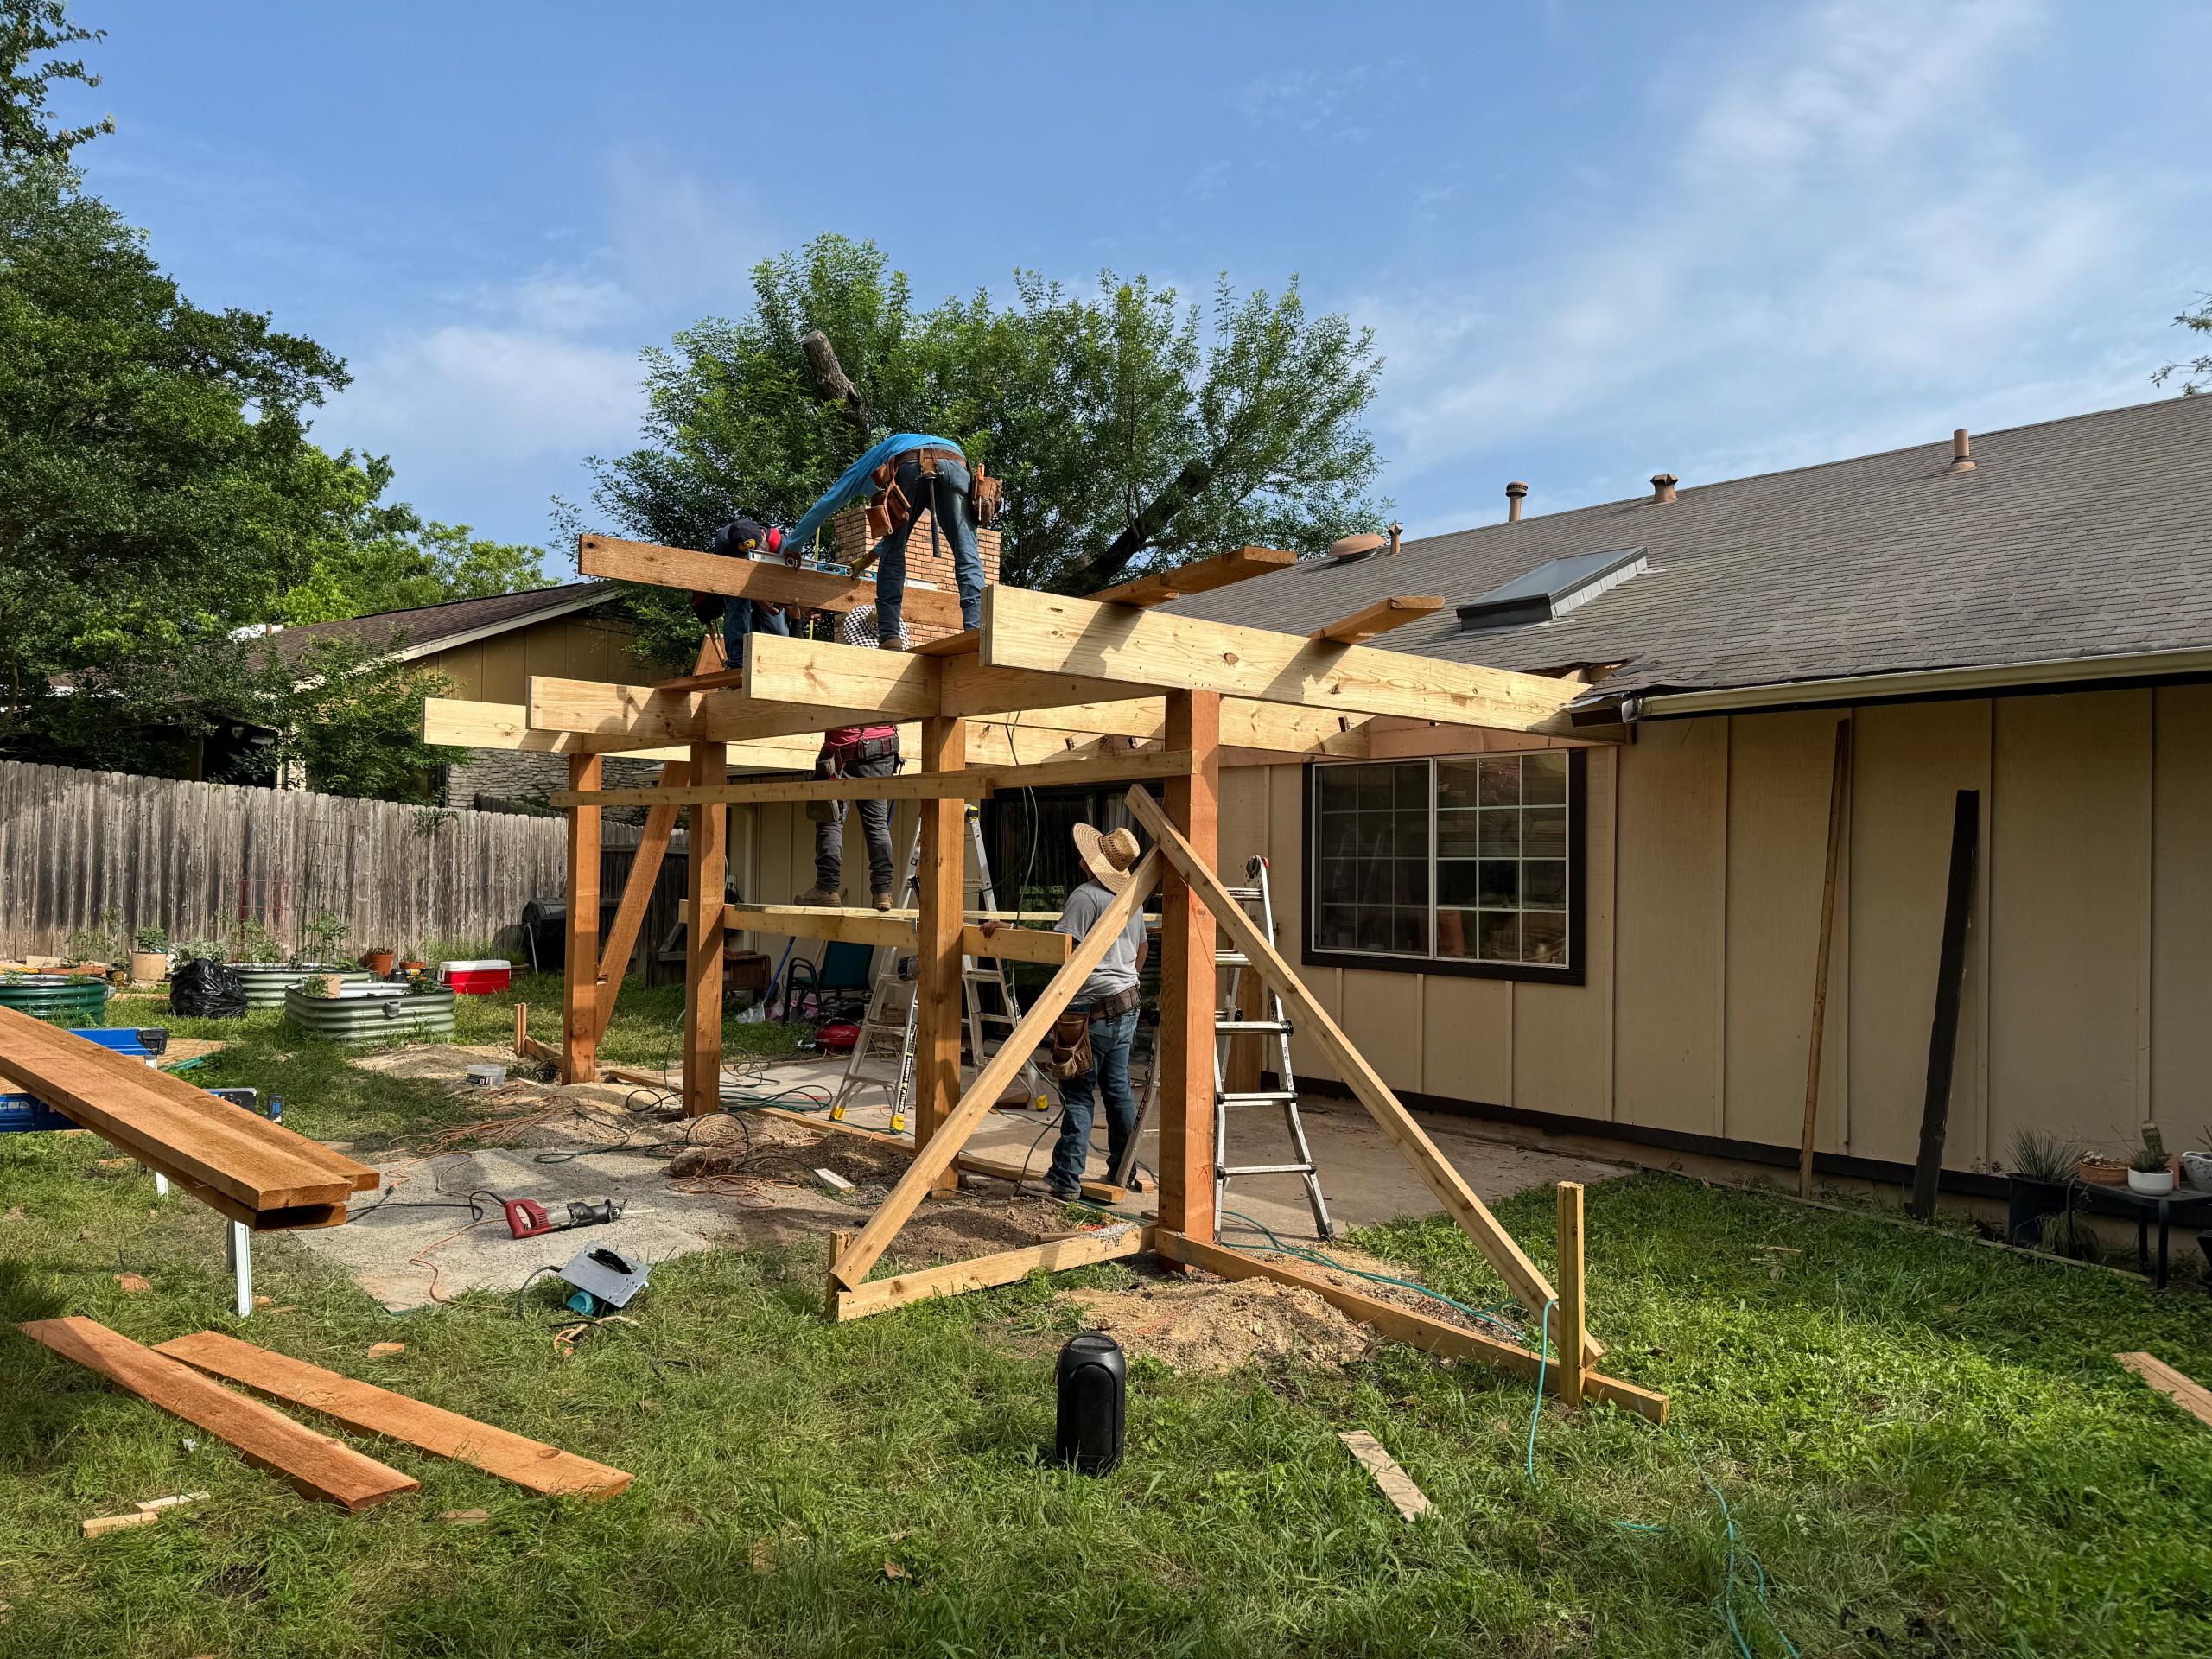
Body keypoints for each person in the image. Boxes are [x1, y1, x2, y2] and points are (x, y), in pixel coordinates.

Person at [785, 433, 987, 648]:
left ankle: (890, 637)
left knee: (894, 552)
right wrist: (868, 558)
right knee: (968, 555)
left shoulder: (863, 466)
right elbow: (903, 527)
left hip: (907, 465)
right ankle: (978, 632)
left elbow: (828, 502)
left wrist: (794, 545)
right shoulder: (901, 444)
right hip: (955, 464)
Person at [1036, 823, 1149, 1203]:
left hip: (1093, 1012)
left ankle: (1065, 1178)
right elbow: (1142, 950)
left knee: (1079, 1092)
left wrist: (1010, 930)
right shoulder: (1130, 897)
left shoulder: (1085, 897)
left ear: (1091, 862)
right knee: (1117, 1090)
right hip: (1126, 1005)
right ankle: (1123, 1167)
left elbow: (1062, 952)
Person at [700, 517, 798, 664]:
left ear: (763, 536)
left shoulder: (780, 545)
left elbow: (786, 583)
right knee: (737, 607)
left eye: (756, 554)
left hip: (767, 579)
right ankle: (738, 661)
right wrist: (758, 598)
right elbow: (729, 578)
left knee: (775, 621)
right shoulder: (724, 542)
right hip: (736, 576)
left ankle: (771, 662)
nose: (752, 560)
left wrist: (778, 600)